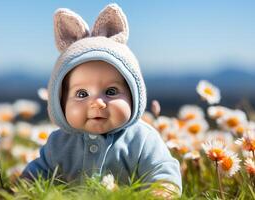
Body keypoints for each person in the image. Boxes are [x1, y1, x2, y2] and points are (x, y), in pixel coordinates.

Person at [21, 3, 182, 197]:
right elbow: (37, 173)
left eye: (111, 91)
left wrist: (162, 191)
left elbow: (163, 170)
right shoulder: (59, 143)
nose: (98, 102)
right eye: (81, 94)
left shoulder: (142, 139)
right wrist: (24, 188)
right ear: (60, 102)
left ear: (134, 96)